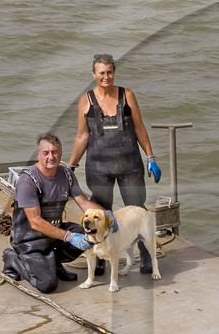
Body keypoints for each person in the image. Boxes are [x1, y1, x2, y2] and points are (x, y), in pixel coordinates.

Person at [69, 54, 161, 274]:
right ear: (94, 74)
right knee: (99, 212)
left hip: (130, 164)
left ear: (114, 72)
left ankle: (146, 256)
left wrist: (150, 157)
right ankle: (99, 256)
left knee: (137, 210)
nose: (106, 77)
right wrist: (71, 167)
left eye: (109, 72)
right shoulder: (85, 100)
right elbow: (82, 136)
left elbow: (139, 128)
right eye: (101, 73)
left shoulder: (127, 95)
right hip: (98, 167)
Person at [2, 133, 102, 294]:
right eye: (46, 153)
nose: (51, 156)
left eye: (54, 152)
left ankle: (54, 263)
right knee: (47, 285)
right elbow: (35, 221)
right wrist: (69, 237)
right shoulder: (28, 181)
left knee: (91, 234)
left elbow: (83, 202)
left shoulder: (67, 175)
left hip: (53, 236)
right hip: (29, 241)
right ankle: (12, 259)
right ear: (38, 155)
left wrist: (109, 217)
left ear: (60, 153)